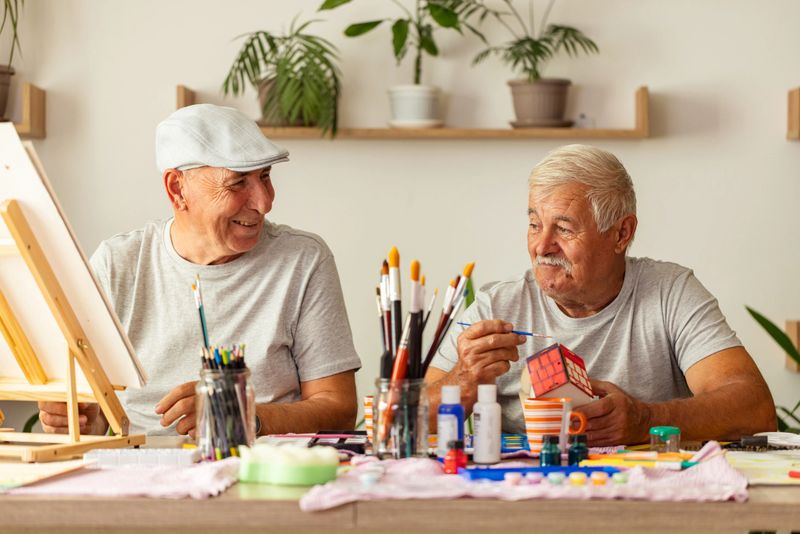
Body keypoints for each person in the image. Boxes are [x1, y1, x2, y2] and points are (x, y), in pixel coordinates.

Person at [38, 104, 361, 436]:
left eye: (265, 176)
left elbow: (338, 409)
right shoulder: (116, 264)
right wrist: (86, 419)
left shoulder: (303, 260)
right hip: (143, 478)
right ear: (177, 189)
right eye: (238, 183)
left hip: (261, 475)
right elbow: (93, 407)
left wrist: (243, 416)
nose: (264, 202)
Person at [426, 144, 776, 445]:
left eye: (563, 228)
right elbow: (405, 425)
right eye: (534, 225)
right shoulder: (495, 307)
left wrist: (643, 420)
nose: (541, 246)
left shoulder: (671, 292)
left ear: (621, 233)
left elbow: (755, 409)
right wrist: (464, 380)